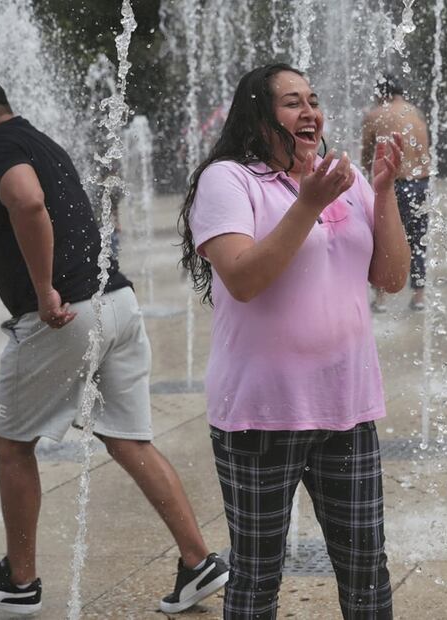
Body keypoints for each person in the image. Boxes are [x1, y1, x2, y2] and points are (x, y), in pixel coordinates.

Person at [0, 68, 227, 616]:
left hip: (66, 315)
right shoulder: (37, 139)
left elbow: (27, 203)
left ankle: (20, 581)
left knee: (11, 445)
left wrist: (43, 291)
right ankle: (198, 560)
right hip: (116, 302)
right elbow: (53, 221)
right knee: (129, 438)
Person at [179, 63, 409, 619]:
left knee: (365, 570)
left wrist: (382, 194)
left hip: (346, 406)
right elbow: (244, 278)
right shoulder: (229, 181)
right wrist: (306, 204)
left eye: (313, 100)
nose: (310, 112)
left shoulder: (343, 178)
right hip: (262, 412)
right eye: (291, 103)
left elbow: (392, 278)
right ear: (258, 117)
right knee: (257, 575)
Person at [362, 73, 430, 312]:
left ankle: (380, 299)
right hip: (422, 183)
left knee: (381, 238)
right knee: (418, 239)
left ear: (381, 93)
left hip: (394, 184)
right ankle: (419, 296)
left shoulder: (375, 115)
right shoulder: (416, 112)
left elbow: (367, 155)